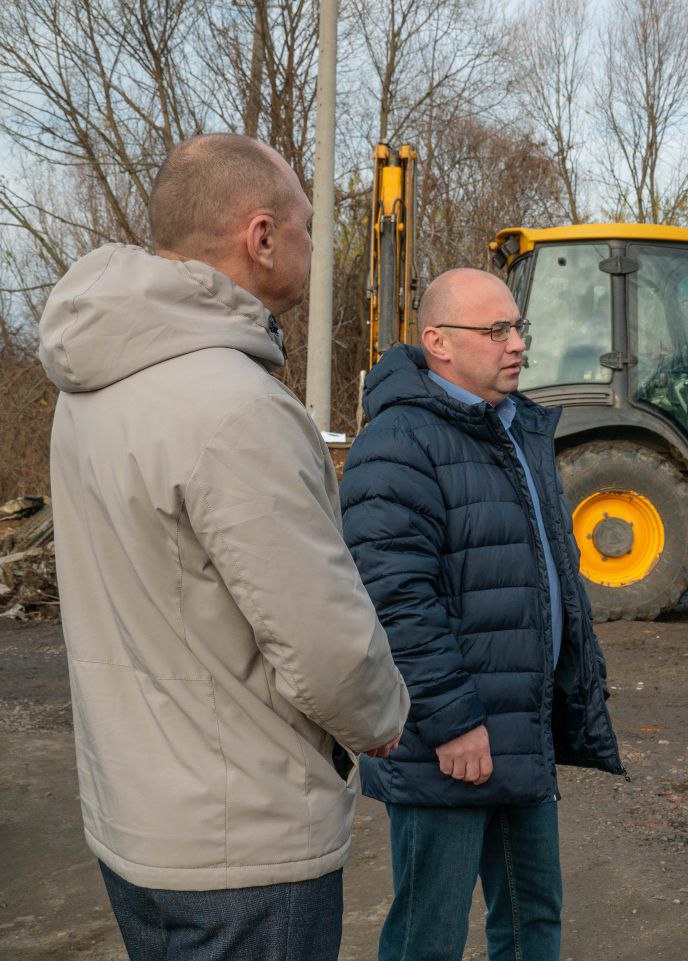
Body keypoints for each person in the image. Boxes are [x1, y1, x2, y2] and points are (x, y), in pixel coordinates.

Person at [39, 133, 408, 961]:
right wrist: (383, 716)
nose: (318, 244)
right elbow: (320, 634)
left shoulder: (94, 385)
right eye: (308, 225)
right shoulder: (237, 407)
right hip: (244, 837)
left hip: (137, 818)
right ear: (262, 238)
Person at [340, 268, 624, 961]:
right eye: (495, 329)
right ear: (437, 342)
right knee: (428, 935)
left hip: (519, 730)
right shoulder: (398, 442)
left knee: (534, 923)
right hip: (450, 740)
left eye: (518, 326)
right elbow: (396, 598)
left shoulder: (518, 428)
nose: (516, 343)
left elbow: (548, 570)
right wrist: (454, 720)